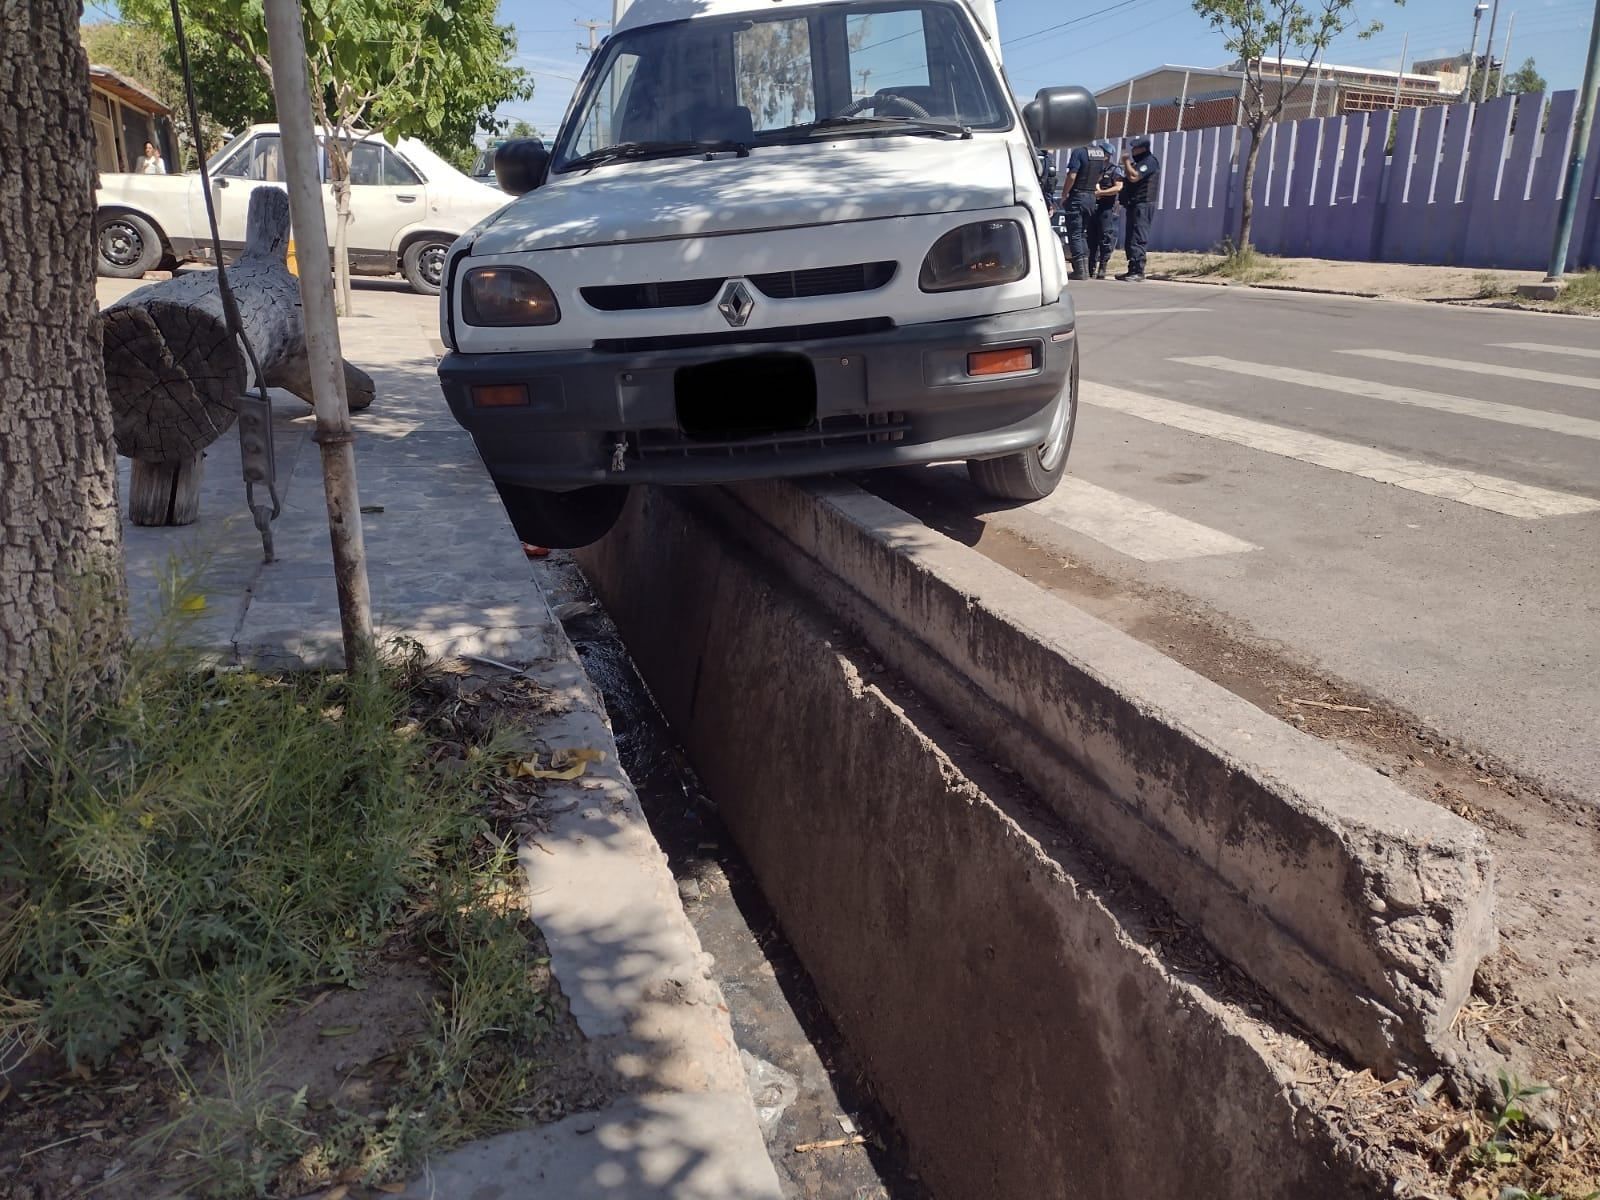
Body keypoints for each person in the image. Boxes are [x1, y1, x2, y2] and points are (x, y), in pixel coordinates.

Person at [1058, 138, 1110, 281]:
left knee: (1075, 233)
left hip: (1077, 196)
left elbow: (1072, 175)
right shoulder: (1099, 154)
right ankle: (1085, 270)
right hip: (1090, 197)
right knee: (1082, 234)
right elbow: (1099, 175)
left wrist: (1064, 194)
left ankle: (1080, 271)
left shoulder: (1079, 152)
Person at [1117, 133, 1160, 282]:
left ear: (1142, 149)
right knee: (1130, 238)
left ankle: (1138, 271)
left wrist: (1126, 162)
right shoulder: (1140, 162)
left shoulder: (1149, 162)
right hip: (1134, 205)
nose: (1132, 151)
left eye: (1135, 148)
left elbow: (1134, 177)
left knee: (1138, 237)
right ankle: (1131, 269)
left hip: (1143, 204)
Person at [1088, 141, 1123, 280]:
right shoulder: (1093, 168)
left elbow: (1118, 187)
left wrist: (1101, 193)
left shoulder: (1114, 170)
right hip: (1092, 207)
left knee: (1105, 237)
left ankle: (1102, 267)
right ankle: (1090, 267)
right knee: (1091, 238)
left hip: (1106, 208)